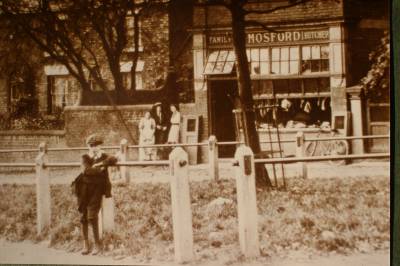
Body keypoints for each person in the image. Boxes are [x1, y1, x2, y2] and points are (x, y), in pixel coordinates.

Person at [71, 134, 117, 255]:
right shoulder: (85, 157)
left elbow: (114, 159)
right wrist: (101, 168)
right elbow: (87, 170)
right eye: (91, 145)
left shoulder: (104, 156)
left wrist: (101, 163)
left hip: (97, 190)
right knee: (83, 217)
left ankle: (97, 244)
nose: (94, 148)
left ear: (100, 146)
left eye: (97, 145)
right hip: (83, 190)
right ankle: (86, 244)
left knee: (92, 216)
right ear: (88, 146)